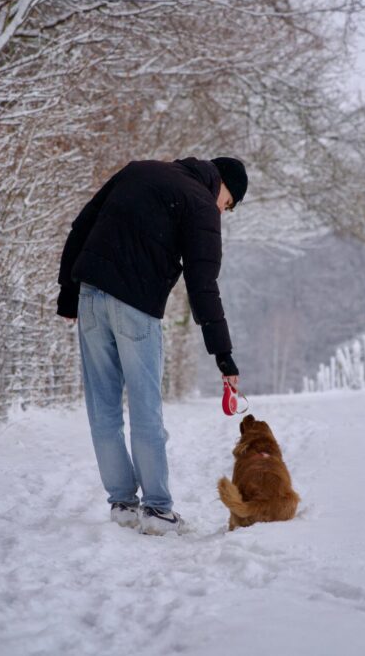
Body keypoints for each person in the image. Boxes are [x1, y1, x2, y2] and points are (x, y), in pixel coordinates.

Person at [56, 156, 246, 535]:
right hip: (136, 306)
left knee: (103, 407)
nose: (224, 210)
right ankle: (157, 510)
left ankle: (123, 505)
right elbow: (203, 284)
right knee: (146, 409)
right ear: (222, 185)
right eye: (229, 203)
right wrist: (223, 356)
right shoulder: (200, 204)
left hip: (91, 295)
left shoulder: (138, 170)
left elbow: (83, 224)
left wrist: (68, 294)